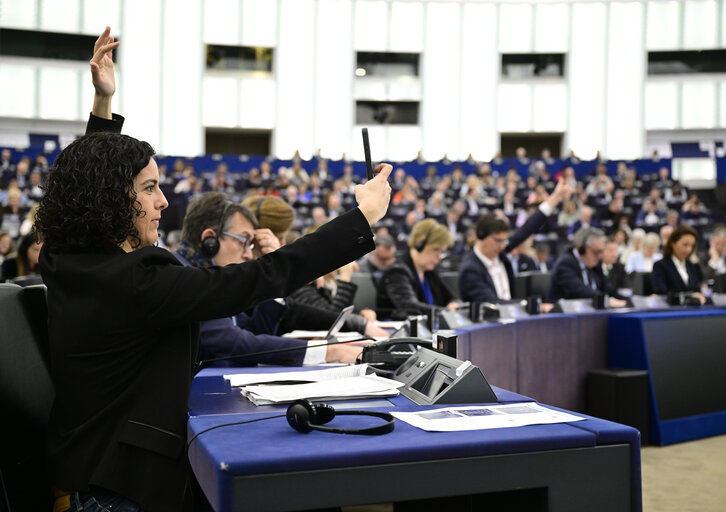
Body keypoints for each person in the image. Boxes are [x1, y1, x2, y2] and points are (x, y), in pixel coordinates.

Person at [37, 27, 392, 511]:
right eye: (148, 188)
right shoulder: (139, 282)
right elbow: (255, 279)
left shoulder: (66, 260)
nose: (164, 200)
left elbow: (84, 187)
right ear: (113, 200)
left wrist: (103, 110)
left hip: (87, 476)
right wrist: (362, 219)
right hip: (121, 492)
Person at [172, 192, 368, 366]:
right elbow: (234, 342)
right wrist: (329, 351)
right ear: (210, 241)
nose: (248, 255)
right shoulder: (186, 277)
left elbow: (253, 330)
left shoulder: (207, 276)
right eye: (244, 241)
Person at [457, 179, 571, 303]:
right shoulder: (470, 269)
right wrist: (527, 306)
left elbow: (527, 229)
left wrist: (555, 197)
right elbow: (492, 304)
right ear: (482, 236)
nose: (503, 246)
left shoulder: (498, 253)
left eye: (504, 241)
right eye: (498, 241)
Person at [377, 219, 458, 319]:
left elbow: (451, 298)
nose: (439, 257)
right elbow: (410, 306)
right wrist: (446, 312)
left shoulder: (429, 271)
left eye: (442, 252)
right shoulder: (397, 272)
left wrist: (454, 304)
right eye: (437, 250)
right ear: (419, 243)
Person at [547, 227, 628, 306]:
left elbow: (608, 288)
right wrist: (607, 301)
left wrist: (628, 301)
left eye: (601, 251)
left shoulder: (594, 263)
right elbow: (581, 291)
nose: (600, 256)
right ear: (580, 248)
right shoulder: (565, 264)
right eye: (596, 252)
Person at [650, 225, 706, 304]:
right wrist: (689, 297)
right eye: (685, 245)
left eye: (692, 246)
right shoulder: (660, 266)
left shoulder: (691, 265)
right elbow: (662, 293)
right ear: (673, 243)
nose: (689, 249)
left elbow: (697, 290)